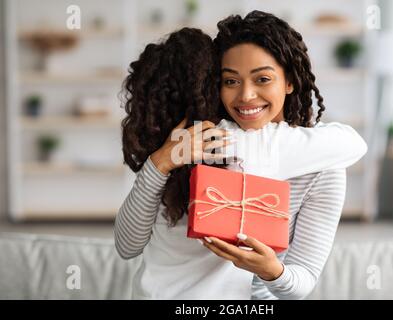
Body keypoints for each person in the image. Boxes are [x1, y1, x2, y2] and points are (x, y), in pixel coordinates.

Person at [115, 18, 366, 299]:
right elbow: (127, 245)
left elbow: (301, 281)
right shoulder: (199, 141)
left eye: (263, 78)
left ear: (290, 81)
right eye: (230, 81)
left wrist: (273, 271)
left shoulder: (318, 161)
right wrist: (160, 163)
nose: (246, 95)